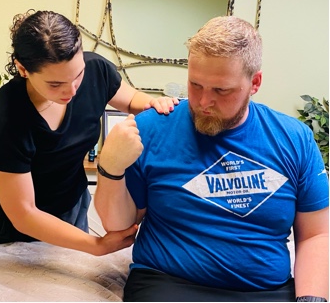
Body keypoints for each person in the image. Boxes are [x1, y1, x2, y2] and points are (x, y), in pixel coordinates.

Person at [94, 16, 329, 301]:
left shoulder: (294, 138)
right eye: (195, 85)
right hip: (170, 283)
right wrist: (110, 168)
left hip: (266, 291)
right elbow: (119, 225)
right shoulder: (151, 129)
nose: (204, 102)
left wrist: (311, 299)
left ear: (254, 83)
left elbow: (316, 234)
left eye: (221, 90)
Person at [0, 9, 178, 256]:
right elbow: (24, 213)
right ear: (23, 69)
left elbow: (132, 99)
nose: (72, 90)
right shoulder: (5, 117)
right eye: (55, 84)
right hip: (16, 219)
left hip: (71, 200)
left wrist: (154, 103)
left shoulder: (96, 69)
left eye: (78, 75)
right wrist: (97, 246)